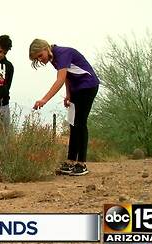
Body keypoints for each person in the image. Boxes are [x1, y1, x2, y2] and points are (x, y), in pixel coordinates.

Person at [29, 39, 99, 176]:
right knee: (73, 124)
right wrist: (68, 95)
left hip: (88, 85)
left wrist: (44, 99)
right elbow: (67, 77)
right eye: (37, 58)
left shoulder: (62, 53)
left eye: (40, 55)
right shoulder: (54, 59)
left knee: (80, 123)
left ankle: (81, 163)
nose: (40, 60)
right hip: (76, 88)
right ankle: (71, 161)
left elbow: (60, 79)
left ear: (45, 48)